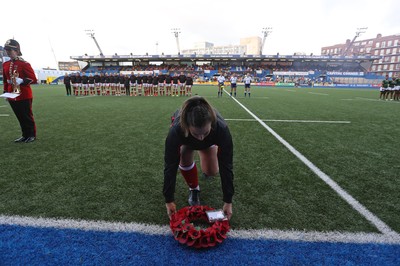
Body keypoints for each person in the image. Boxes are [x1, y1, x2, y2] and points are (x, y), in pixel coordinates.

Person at [163, 96, 234, 220]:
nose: (201, 137)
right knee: (183, 156)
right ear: (186, 126)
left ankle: (208, 150)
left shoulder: (221, 128)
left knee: (211, 171)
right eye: (196, 133)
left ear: (211, 124)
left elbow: (226, 165)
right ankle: (194, 189)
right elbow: (170, 165)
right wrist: (169, 200)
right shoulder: (176, 130)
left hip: (210, 141)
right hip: (186, 140)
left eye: (205, 133)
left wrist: (228, 201)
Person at [2, 39, 37, 143]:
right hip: (12, 94)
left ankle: (31, 135)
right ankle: (24, 135)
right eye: (7, 50)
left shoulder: (24, 64)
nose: (8, 52)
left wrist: (22, 80)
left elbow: (34, 79)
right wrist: (6, 92)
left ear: (17, 50)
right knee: (19, 117)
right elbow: (5, 80)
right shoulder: (5, 64)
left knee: (26, 116)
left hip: (24, 94)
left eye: (10, 50)